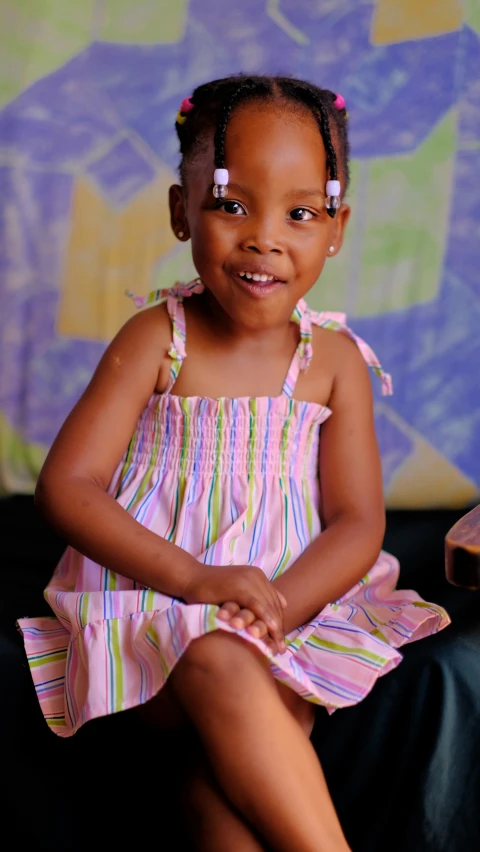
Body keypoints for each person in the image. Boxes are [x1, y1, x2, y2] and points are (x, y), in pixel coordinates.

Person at [19, 75, 450, 852]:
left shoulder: (335, 361)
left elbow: (358, 521)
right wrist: (199, 583)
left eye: (301, 212)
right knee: (218, 656)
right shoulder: (159, 338)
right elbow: (67, 488)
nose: (265, 237)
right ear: (183, 211)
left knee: (215, 783)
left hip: (289, 613)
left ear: (338, 227)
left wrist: (278, 606)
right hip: (152, 612)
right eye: (230, 203)